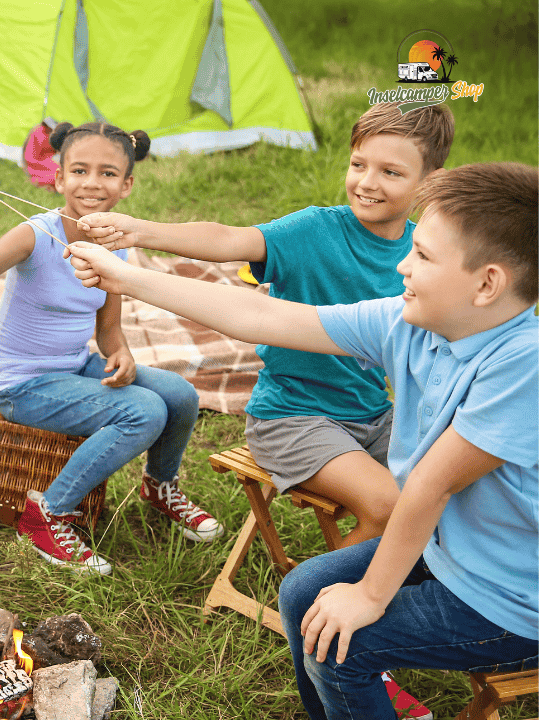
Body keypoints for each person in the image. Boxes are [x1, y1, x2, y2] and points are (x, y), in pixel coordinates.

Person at [67, 162, 537, 720]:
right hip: (450, 552)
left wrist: (369, 596)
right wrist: (124, 278)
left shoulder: (524, 364)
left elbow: (430, 486)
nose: (403, 265)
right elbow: (262, 315)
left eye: (424, 256)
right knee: (301, 591)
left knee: (343, 650)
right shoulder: (411, 321)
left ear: (487, 284)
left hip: (511, 601)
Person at [81, 104, 455, 549]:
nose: (367, 182)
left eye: (390, 172)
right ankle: (331, 590)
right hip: (292, 419)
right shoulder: (315, 230)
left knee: (452, 492)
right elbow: (228, 239)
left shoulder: (419, 253)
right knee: (389, 506)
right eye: (359, 165)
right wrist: (138, 230)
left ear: (429, 182)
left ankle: (424, 578)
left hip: (374, 415)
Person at [0, 121, 221, 576]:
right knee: (144, 412)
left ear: (126, 185)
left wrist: (121, 353)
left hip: (76, 366)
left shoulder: (114, 245)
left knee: (180, 394)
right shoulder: (35, 235)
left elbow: (108, 329)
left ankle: (159, 486)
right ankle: (47, 515)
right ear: (58, 178)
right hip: (25, 386)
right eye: (79, 171)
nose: (92, 183)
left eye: (108, 173)